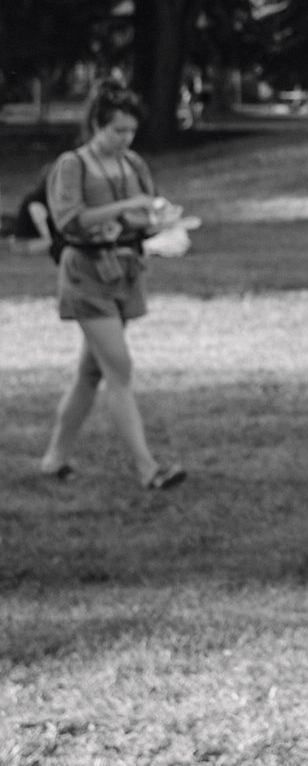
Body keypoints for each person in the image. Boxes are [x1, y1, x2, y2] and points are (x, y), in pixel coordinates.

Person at [40, 80, 186, 489]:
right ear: (97, 126)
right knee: (119, 369)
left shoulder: (133, 164)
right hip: (86, 273)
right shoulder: (73, 165)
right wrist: (125, 207)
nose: (125, 138)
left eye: (131, 131)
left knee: (90, 372)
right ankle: (148, 468)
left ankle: (55, 458)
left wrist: (155, 219)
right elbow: (68, 219)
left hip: (124, 270)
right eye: (117, 130)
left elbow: (142, 214)